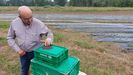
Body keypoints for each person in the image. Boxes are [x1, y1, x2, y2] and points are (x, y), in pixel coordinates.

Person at [7, 6, 53, 75]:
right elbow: (10, 37)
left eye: (31, 17)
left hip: (36, 52)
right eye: (26, 19)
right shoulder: (14, 23)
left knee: (39, 71)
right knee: (24, 70)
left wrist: (49, 39)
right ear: (20, 17)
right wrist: (18, 50)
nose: (30, 20)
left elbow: (49, 33)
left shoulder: (38, 23)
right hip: (23, 53)